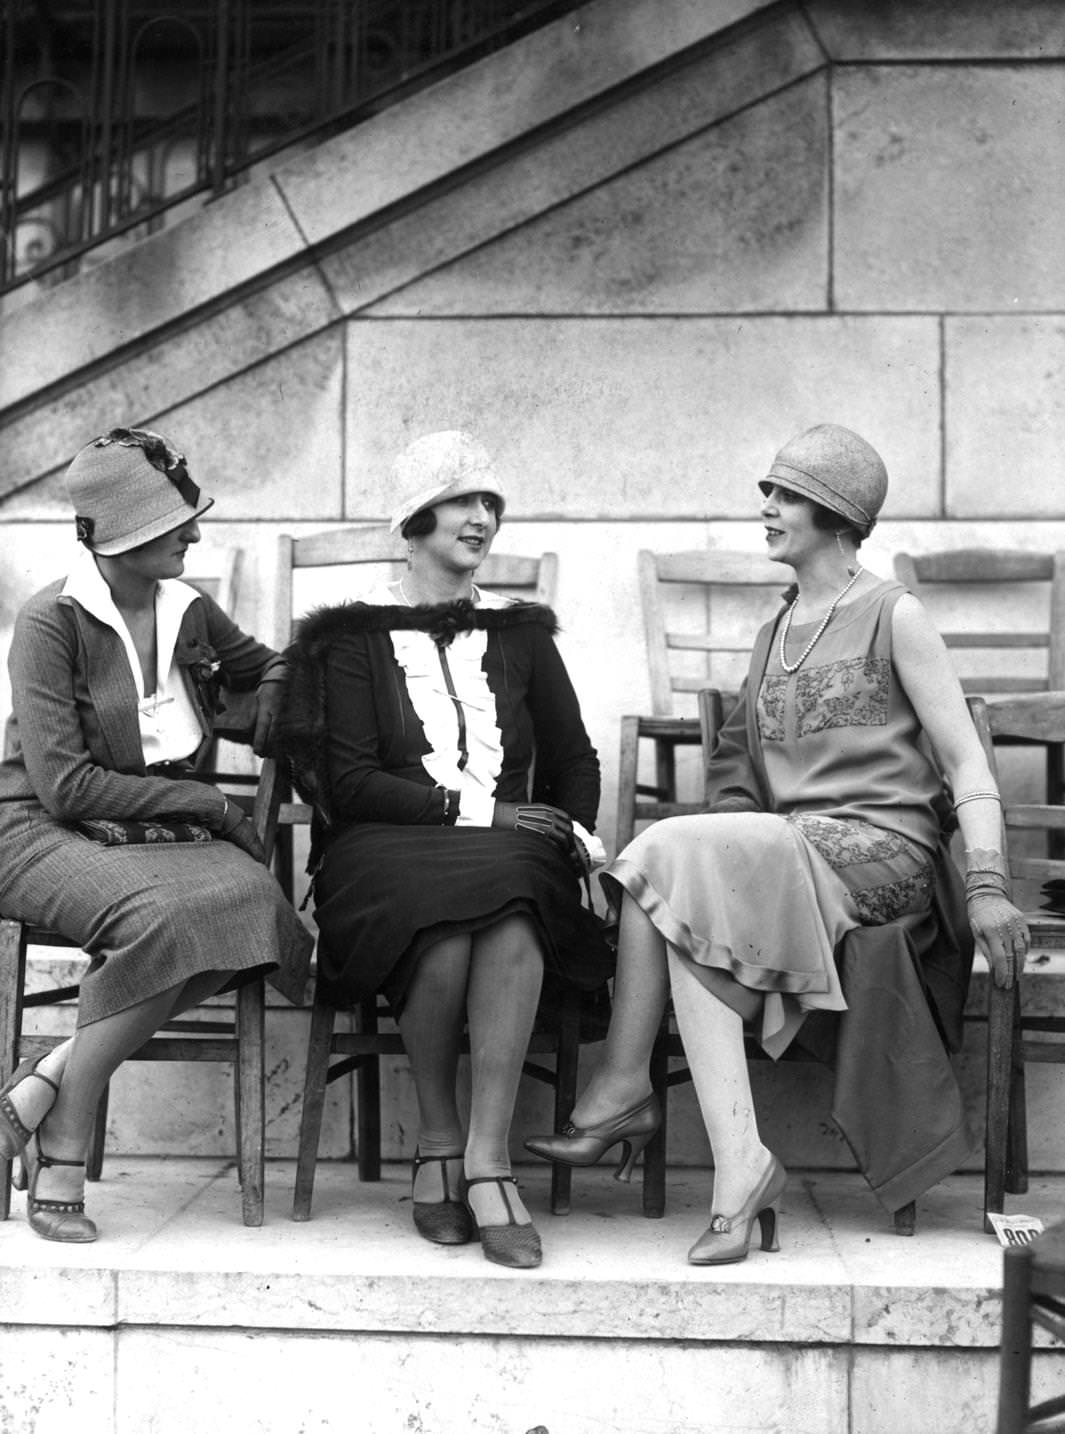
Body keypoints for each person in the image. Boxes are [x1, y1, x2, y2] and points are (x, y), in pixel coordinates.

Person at [526, 423, 1030, 1264]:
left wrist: (984, 884)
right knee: (683, 909)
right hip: (790, 851)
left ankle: (620, 1089)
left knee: (662, 855)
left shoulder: (893, 614)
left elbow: (965, 764)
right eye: (769, 491)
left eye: (783, 494)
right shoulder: (777, 630)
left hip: (883, 857)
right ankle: (741, 1174)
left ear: (832, 514)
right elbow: (738, 776)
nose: (764, 508)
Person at [277, 429, 613, 1269]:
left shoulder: (522, 633)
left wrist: (573, 837)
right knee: (445, 906)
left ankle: (485, 1160)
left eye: (490, 503)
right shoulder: (348, 638)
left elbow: (574, 758)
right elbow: (350, 782)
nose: (482, 517)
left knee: (508, 898)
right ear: (416, 518)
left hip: (510, 854)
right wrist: (486, 811)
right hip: (381, 850)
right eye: (464, 500)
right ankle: (436, 1141)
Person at [0, 426, 313, 1243]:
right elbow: (66, 786)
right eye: (177, 525)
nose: (196, 535)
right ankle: (66, 1146)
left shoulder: (189, 608)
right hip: (37, 829)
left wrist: (276, 686)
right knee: (169, 922)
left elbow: (273, 666)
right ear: (124, 535)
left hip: (155, 835)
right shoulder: (50, 624)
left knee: (258, 908)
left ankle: (43, 1084)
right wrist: (208, 805)